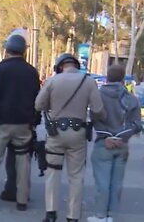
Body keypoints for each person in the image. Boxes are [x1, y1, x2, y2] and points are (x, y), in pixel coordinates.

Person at [35, 53, 106, 222]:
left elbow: (39, 104)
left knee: (52, 171)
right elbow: (98, 110)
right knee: (76, 175)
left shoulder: (52, 81)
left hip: (56, 133)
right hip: (78, 133)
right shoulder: (88, 81)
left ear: (60, 66)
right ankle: (72, 216)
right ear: (76, 65)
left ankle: (51, 213)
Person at [0, 35, 40, 212]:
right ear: (24, 51)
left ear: (7, 49)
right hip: (23, 123)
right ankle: (22, 200)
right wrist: (34, 120)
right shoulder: (32, 72)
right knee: (23, 162)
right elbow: (37, 98)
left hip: (2, 122)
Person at [87, 65, 142, 222]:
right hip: (122, 145)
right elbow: (136, 124)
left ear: (107, 78)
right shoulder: (131, 99)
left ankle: (100, 215)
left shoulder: (98, 96)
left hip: (103, 143)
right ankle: (112, 215)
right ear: (123, 78)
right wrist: (121, 137)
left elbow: (95, 118)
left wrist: (107, 137)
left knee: (102, 183)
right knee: (116, 183)